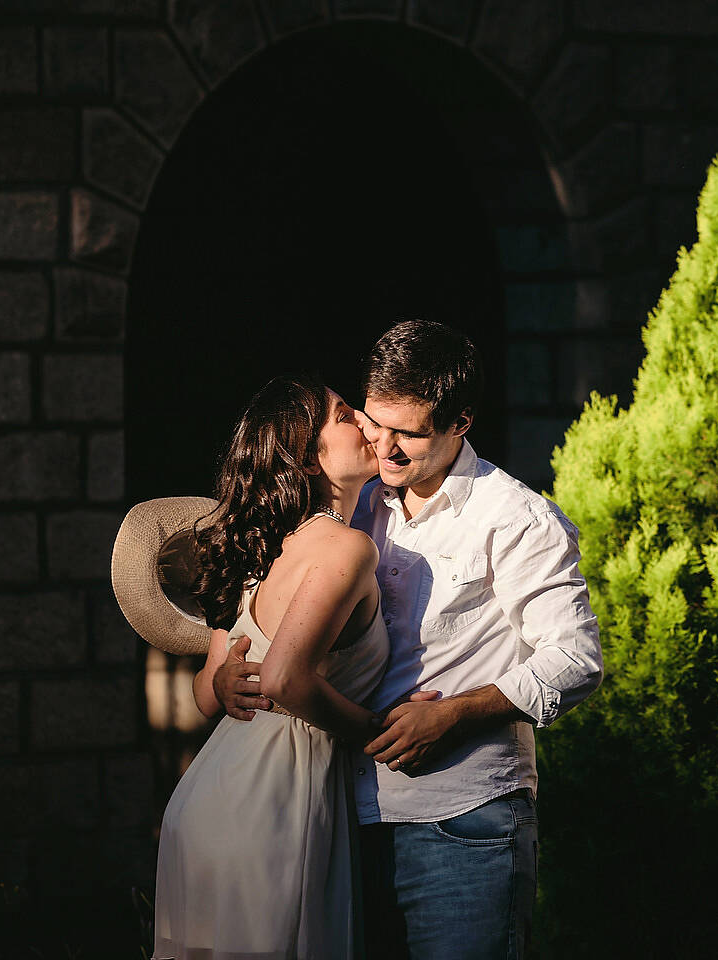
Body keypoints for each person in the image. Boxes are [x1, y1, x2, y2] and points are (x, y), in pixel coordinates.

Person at [216, 321, 605, 959]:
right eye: (375, 423)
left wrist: (456, 714)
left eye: (410, 434)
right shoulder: (353, 501)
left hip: (463, 818)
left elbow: (575, 659)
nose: (387, 449)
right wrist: (230, 667)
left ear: (461, 423)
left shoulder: (516, 519)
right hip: (342, 814)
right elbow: (263, 580)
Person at [111, 374, 389, 960]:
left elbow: (205, 696)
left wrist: (223, 679)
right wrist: (378, 731)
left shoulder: (255, 548)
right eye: (345, 416)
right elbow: (286, 679)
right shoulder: (346, 548)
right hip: (278, 800)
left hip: (209, 795)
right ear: (307, 459)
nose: (367, 421)